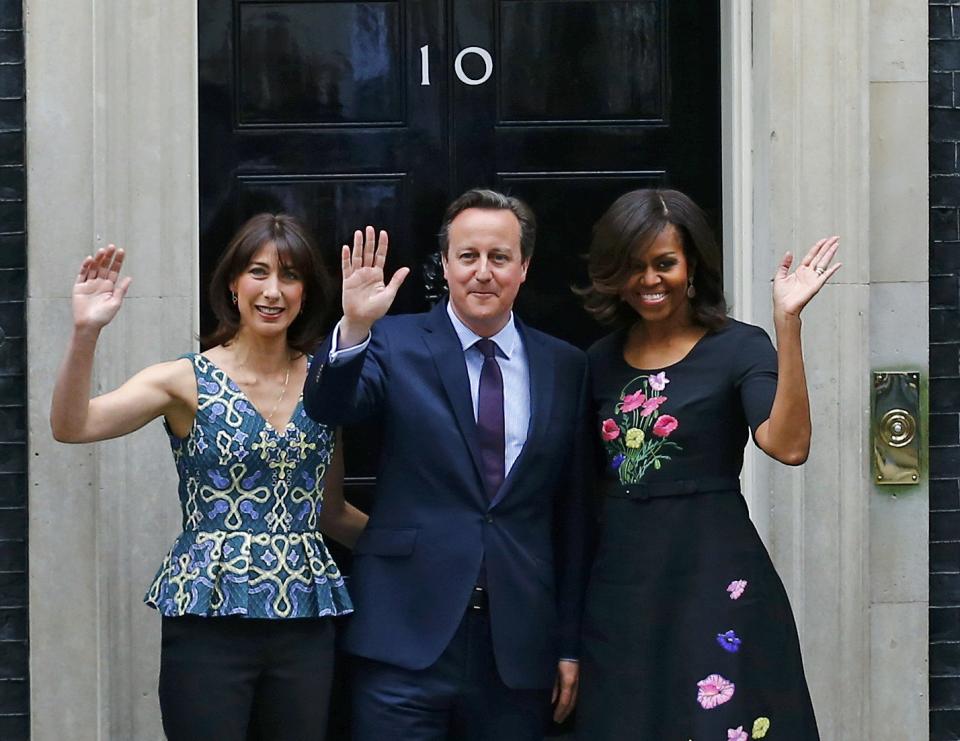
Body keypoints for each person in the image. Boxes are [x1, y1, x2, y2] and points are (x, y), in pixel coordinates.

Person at [49, 213, 366, 741]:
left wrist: (417, 554)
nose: (272, 290)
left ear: (306, 292)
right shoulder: (184, 379)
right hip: (209, 618)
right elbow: (71, 425)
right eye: (258, 272)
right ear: (232, 285)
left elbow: (329, 512)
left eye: (289, 275)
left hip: (304, 623)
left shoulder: (326, 381)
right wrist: (85, 331)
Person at [303, 188, 590, 741]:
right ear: (448, 265)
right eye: (468, 256)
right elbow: (328, 407)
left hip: (518, 651)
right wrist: (355, 327)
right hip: (404, 641)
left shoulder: (565, 366)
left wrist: (570, 645)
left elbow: (573, 515)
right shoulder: (393, 341)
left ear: (524, 268)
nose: (482, 272)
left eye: (499, 257)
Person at [575, 189, 835, 740]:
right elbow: (579, 492)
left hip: (714, 581)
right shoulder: (596, 362)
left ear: (692, 266)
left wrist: (788, 323)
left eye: (664, 263)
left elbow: (788, 446)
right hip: (620, 591)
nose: (650, 279)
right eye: (635, 266)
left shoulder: (740, 347)